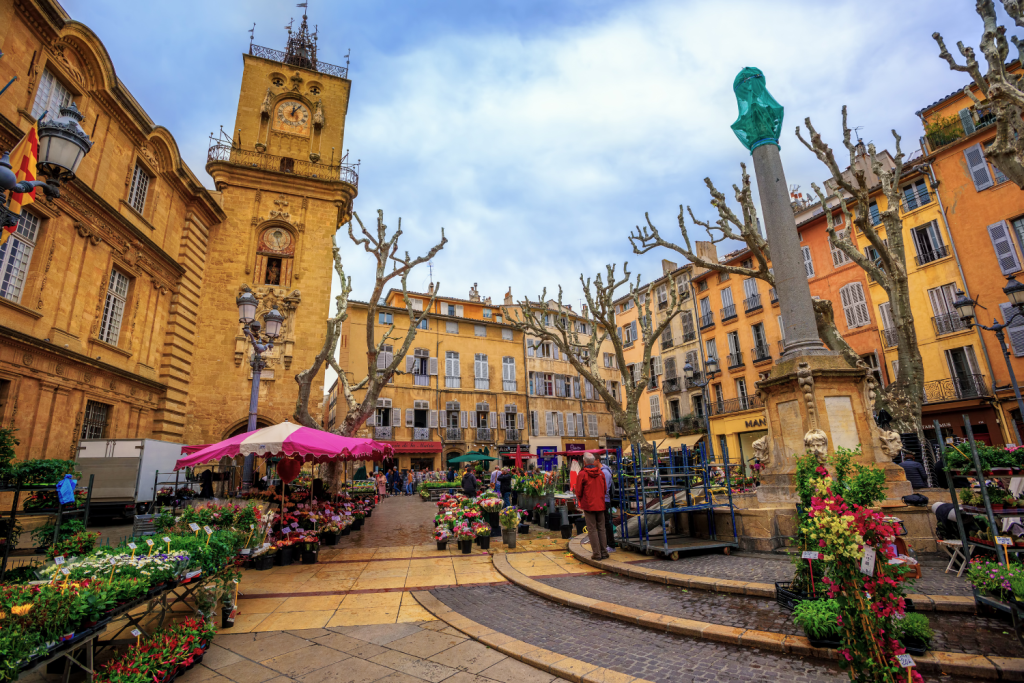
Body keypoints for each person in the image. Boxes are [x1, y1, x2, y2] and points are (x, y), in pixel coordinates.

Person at [573, 453, 609, 561]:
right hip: (600, 504)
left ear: (584, 462)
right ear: (593, 461)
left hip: (588, 505)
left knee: (592, 529)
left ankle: (597, 554)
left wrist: (581, 499)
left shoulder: (582, 474)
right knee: (602, 528)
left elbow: (578, 491)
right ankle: (604, 552)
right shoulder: (601, 473)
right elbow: (605, 489)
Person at [600, 458, 616, 554]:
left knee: (606, 523)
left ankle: (611, 545)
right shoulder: (603, 471)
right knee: (604, 523)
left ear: (597, 461)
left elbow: (604, 488)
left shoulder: (605, 472)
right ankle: (607, 544)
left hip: (604, 500)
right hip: (603, 499)